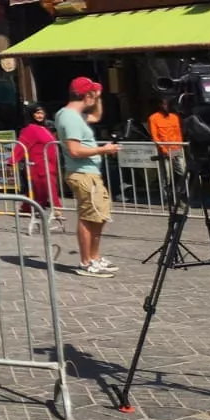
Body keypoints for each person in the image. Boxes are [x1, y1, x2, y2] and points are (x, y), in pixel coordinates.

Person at [56, 77, 120, 277]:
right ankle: (86, 261)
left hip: (89, 172)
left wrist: (98, 98)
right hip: (82, 173)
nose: (95, 97)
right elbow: (74, 150)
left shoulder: (74, 115)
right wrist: (103, 150)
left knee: (97, 216)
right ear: (86, 95)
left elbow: (96, 116)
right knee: (88, 217)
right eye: (93, 93)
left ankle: (94, 257)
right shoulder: (70, 117)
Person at [13, 103, 64, 234]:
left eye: (41, 113)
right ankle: (56, 208)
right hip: (38, 164)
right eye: (37, 113)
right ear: (31, 114)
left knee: (41, 191)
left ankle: (27, 207)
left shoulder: (44, 128)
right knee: (47, 186)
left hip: (49, 164)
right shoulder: (30, 129)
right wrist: (12, 160)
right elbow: (22, 144)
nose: (40, 115)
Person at [148, 96, 187, 179]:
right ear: (160, 105)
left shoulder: (174, 117)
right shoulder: (153, 118)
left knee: (183, 172)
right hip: (164, 151)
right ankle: (166, 187)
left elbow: (178, 133)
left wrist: (180, 146)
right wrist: (164, 150)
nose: (166, 107)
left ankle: (182, 187)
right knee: (166, 175)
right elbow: (155, 136)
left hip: (177, 149)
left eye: (168, 104)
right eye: (164, 104)